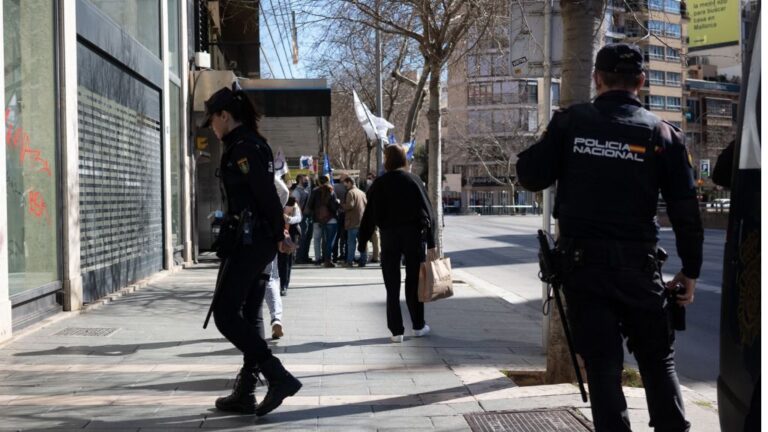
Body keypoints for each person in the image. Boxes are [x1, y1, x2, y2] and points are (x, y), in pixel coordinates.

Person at [516, 44, 703, 432]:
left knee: (602, 365)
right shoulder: (662, 134)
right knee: (657, 360)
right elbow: (686, 212)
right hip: (640, 268)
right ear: (641, 82)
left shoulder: (571, 123)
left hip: (584, 269)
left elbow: (530, 175)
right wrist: (691, 270)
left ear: (597, 79)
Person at [202, 85, 302, 416]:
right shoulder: (247, 144)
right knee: (248, 314)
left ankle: (277, 375)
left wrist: (279, 234)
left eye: (212, 121)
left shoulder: (243, 147)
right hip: (254, 240)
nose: (212, 129)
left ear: (224, 116)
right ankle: (245, 391)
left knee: (225, 314)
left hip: (251, 242)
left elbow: (264, 194)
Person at [358, 144, 435, 343]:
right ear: (404, 159)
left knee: (391, 285)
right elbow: (429, 212)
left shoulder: (379, 183)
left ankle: (396, 331)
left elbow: (369, 216)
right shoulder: (414, 180)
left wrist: (362, 241)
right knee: (413, 283)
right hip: (413, 236)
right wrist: (432, 242)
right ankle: (418, 325)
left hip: (389, 237)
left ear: (387, 160)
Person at [305, 175, 340, 267]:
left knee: (317, 239)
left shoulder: (314, 191)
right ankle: (327, 258)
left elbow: (309, 205)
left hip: (317, 219)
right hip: (330, 219)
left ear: (318, 182)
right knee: (328, 240)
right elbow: (333, 206)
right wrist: (337, 204)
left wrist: (316, 212)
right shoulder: (331, 191)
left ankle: (317, 259)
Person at [278, 196, 302, 295]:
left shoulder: (295, 206)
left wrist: (288, 219)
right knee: (279, 261)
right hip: (279, 234)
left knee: (286, 261)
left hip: (290, 235)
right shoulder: (278, 203)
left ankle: (284, 285)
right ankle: (279, 284)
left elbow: (298, 218)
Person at [342, 176, 367, 267]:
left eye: (345, 183)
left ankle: (350, 261)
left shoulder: (350, 193)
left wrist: (341, 204)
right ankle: (363, 260)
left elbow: (350, 206)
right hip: (362, 221)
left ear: (349, 182)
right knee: (362, 243)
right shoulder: (362, 193)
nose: (344, 185)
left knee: (351, 243)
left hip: (352, 222)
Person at [292, 174, 313, 263]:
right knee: (302, 238)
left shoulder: (306, 190)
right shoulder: (297, 192)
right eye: (305, 180)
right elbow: (296, 206)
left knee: (307, 238)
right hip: (301, 218)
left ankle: (305, 256)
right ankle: (299, 258)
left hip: (308, 217)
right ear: (300, 180)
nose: (307, 182)